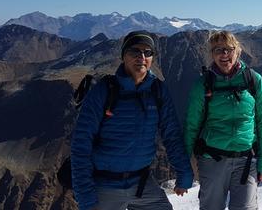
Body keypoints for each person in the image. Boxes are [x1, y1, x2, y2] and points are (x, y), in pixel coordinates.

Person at [71, 30, 193, 210]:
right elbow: (81, 144)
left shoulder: (158, 91)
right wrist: (85, 196)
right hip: (104, 185)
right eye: (135, 51)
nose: (141, 57)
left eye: (147, 52)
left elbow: (171, 134)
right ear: (124, 56)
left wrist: (184, 172)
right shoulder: (103, 90)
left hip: (142, 183)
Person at [184, 30, 262, 210]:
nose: (224, 54)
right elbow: (191, 126)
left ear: (237, 51)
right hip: (212, 160)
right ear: (211, 55)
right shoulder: (203, 85)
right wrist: (184, 166)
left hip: (246, 160)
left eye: (229, 49)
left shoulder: (253, 80)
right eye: (218, 50)